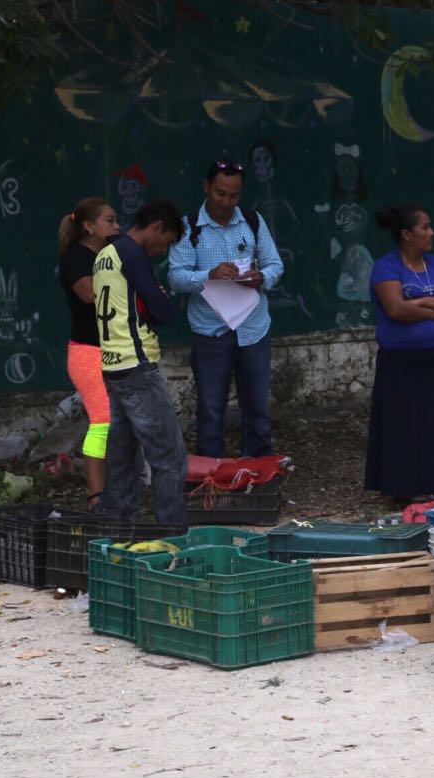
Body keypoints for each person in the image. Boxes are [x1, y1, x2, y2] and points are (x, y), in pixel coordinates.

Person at [168, 158, 284, 460]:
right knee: (210, 410)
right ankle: (212, 473)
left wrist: (261, 277)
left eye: (234, 195)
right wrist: (209, 275)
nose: (226, 202)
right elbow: (175, 277)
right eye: (220, 193)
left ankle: (258, 468)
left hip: (253, 329)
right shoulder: (189, 227)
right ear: (206, 187)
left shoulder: (252, 221)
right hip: (211, 331)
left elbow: (275, 264)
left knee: (257, 407)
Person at [364, 204, 434, 502]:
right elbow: (395, 309)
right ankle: (402, 487)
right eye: (425, 227)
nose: (431, 232)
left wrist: (417, 303)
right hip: (401, 360)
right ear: (407, 234)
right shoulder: (386, 266)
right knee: (403, 423)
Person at [92, 199, 188, 526]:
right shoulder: (132, 254)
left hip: (112, 367)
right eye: (167, 241)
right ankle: (173, 535)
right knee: (169, 457)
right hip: (137, 366)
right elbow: (163, 310)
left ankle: (119, 532)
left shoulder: (104, 254)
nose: (164, 250)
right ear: (157, 227)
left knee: (122, 459)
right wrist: (160, 297)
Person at [57, 198, 121, 512]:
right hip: (87, 352)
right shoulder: (76, 257)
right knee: (102, 420)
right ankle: (96, 496)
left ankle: (116, 489)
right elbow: (89, 293)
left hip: (115, 349)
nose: (117, 227)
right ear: (88, 226)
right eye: (110, 220)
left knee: (117, 421)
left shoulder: (110, 254)